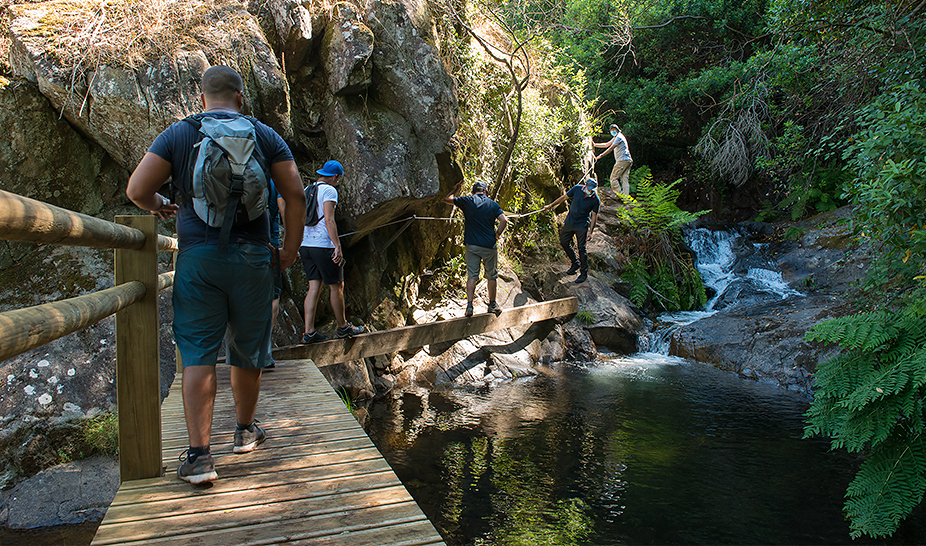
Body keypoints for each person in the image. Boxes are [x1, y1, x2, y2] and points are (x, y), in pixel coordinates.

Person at [126, 65, 307, 485]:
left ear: (201, 98)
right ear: (241, 98)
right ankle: (245, 432)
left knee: (198, 350)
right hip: (255, 260)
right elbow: (295, 194)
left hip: (198, 258)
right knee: (247, 349)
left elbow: (137, 190)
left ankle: (200, 457)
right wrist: (290, 251)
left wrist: (158, 204)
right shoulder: (265, 135)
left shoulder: (180, 134)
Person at [299, 160, 365, 343]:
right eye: (338, 178)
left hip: (306, 244)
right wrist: (337, 245)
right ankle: (343, 327)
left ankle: (309, 332)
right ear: (335, 176)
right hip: (323, 245)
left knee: (314, 286)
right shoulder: (329, 191)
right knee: (336, 286)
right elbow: (329, 220)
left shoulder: (308, 189)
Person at [443, 180, 508, 317]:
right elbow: (504, 220)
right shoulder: (493, 204)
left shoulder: (467, 200)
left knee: (472, 276)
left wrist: (455, 187)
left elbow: (447, 199)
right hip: (489, 246)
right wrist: (497, 235)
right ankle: (492, 304)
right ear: (485, 191)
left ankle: (470, 307)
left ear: (473, 192)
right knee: (491, 275)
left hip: (472, 246)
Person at [543, 178, 601, 284]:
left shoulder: (595, 199)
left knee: (581, 248)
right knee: (564, 242)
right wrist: (551, 206)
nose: (590, 191)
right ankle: (575, 263)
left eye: (592, 189)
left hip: (582, 225)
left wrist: (590, 231)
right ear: (585, 185)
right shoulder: (577, 189)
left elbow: (594, 216)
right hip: (570, 221)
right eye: (589, 188)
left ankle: (583, 273)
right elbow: (563, 198)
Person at [594, 124, 633, 195]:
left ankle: (620, 195)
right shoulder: (616, 137)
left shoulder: (619, 137)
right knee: (624, 179)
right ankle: (627, 199)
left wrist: (600, 156)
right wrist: (595, 145)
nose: (613, 131)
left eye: (614, 130)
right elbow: (606, 144)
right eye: (611, 130)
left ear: (617, 130)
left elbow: (611, 148)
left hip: (622, 160)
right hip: (627, 160)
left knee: (613, 178)